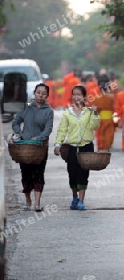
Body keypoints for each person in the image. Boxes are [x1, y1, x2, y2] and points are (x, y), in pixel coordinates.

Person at [54, 85, 100, 210]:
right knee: (72, 174)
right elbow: (62, 130)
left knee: (83, 174)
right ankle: (74, 196)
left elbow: (94, 127)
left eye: (79, 94)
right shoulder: (67, 113)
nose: (76, 97)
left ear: (84, 97)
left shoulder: (89, 112)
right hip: (72, 148)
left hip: (86, 147)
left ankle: (81, 201)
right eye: (74, 94)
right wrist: (58, 144)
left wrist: (95, 114)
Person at [12, 84, 54, 212]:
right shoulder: (25, 108)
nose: (40, 95)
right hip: (25, 147)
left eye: (43, 93)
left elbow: (48, 128)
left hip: (40, 148)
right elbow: (15, 122)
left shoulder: (48, 111)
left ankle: (37, 202)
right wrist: (21, 134)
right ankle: (27, 200)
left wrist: (39, 138)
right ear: (34, 93)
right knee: (26, 174)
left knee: (39, 173)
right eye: (38, 92)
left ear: (47, 96)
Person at [92, 77, 115, 152]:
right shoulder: (112, 97)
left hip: (100, 120)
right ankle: (107, 148)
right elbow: (114, 108)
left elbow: (95, 111)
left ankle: (100, 148)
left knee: (101, 135)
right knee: (109, 135)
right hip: (109, 119)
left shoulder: (96, 98)